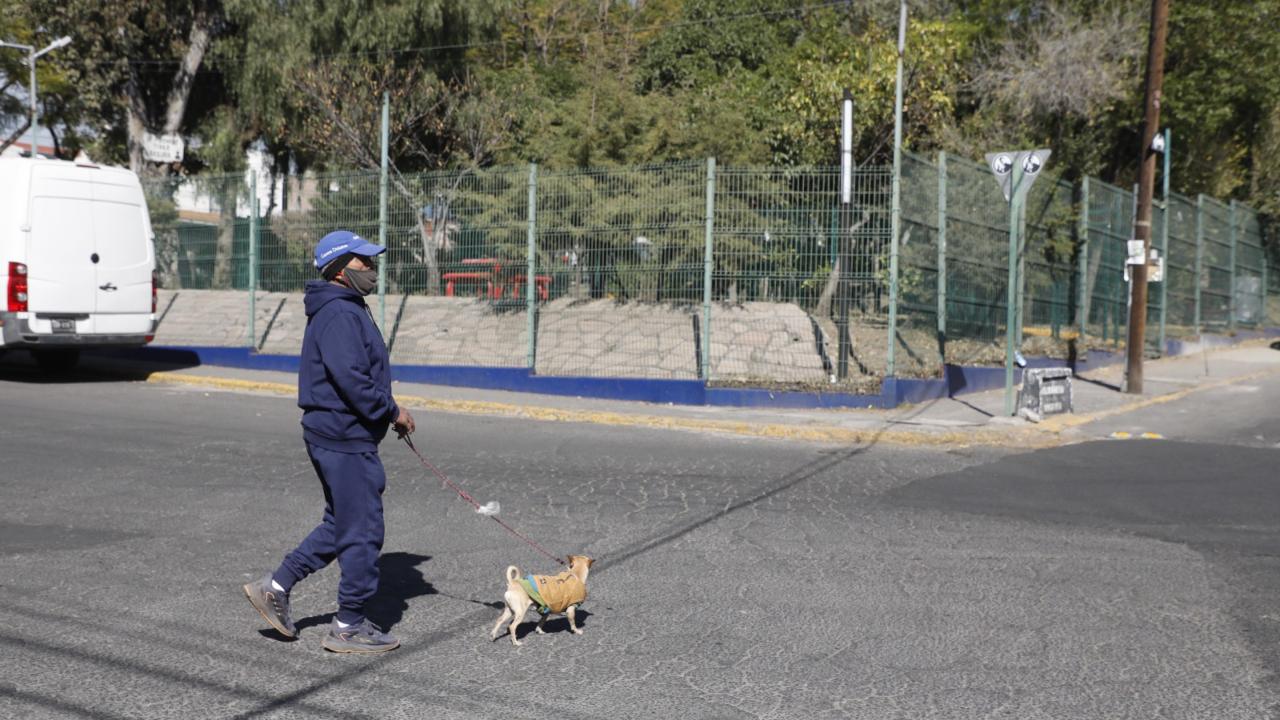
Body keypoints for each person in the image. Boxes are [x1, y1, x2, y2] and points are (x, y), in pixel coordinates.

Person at [244, 229, 415, 654]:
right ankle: (348, 625)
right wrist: (392, 411)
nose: (372, 269)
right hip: (344, 435)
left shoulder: (346, 307)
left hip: (339, 432)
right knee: (362, 532)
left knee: (341, 523)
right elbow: (352, 380)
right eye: (364, 262)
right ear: (341, 269)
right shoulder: (339, 314)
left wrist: (384, 409)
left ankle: (275, 586)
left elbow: (356, 376)